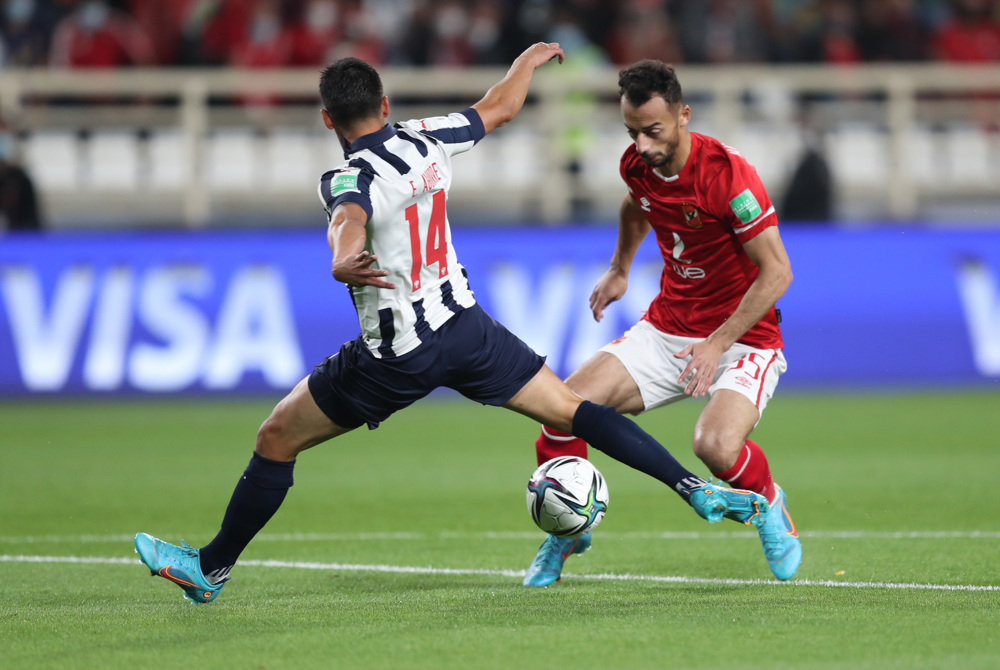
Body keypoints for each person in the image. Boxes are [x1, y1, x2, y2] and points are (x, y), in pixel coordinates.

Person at [133, 44, 769, 604]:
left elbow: (347, 216)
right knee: (572, 410)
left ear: (329, 119)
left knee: (276, 437)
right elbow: (498, 108)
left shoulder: (345, 173)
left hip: (395, 355)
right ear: (385, 104)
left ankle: (212, 567)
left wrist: (340, 258)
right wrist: (526, 62)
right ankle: (691, 487)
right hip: (467, 332)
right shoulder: (425, 137)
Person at [523, 59, 801, 587]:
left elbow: (778, 272)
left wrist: (718, 344)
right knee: (560, 409)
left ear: (683, 116)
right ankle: (567, 533)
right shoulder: (637, 165)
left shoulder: (728, 177)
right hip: (669, 328)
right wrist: (619, 270)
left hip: (745, 338)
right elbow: (636, 209)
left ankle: (771, 506)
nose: (643, 145)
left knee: (715, 448)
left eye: (653, 131)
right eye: (632, 132)